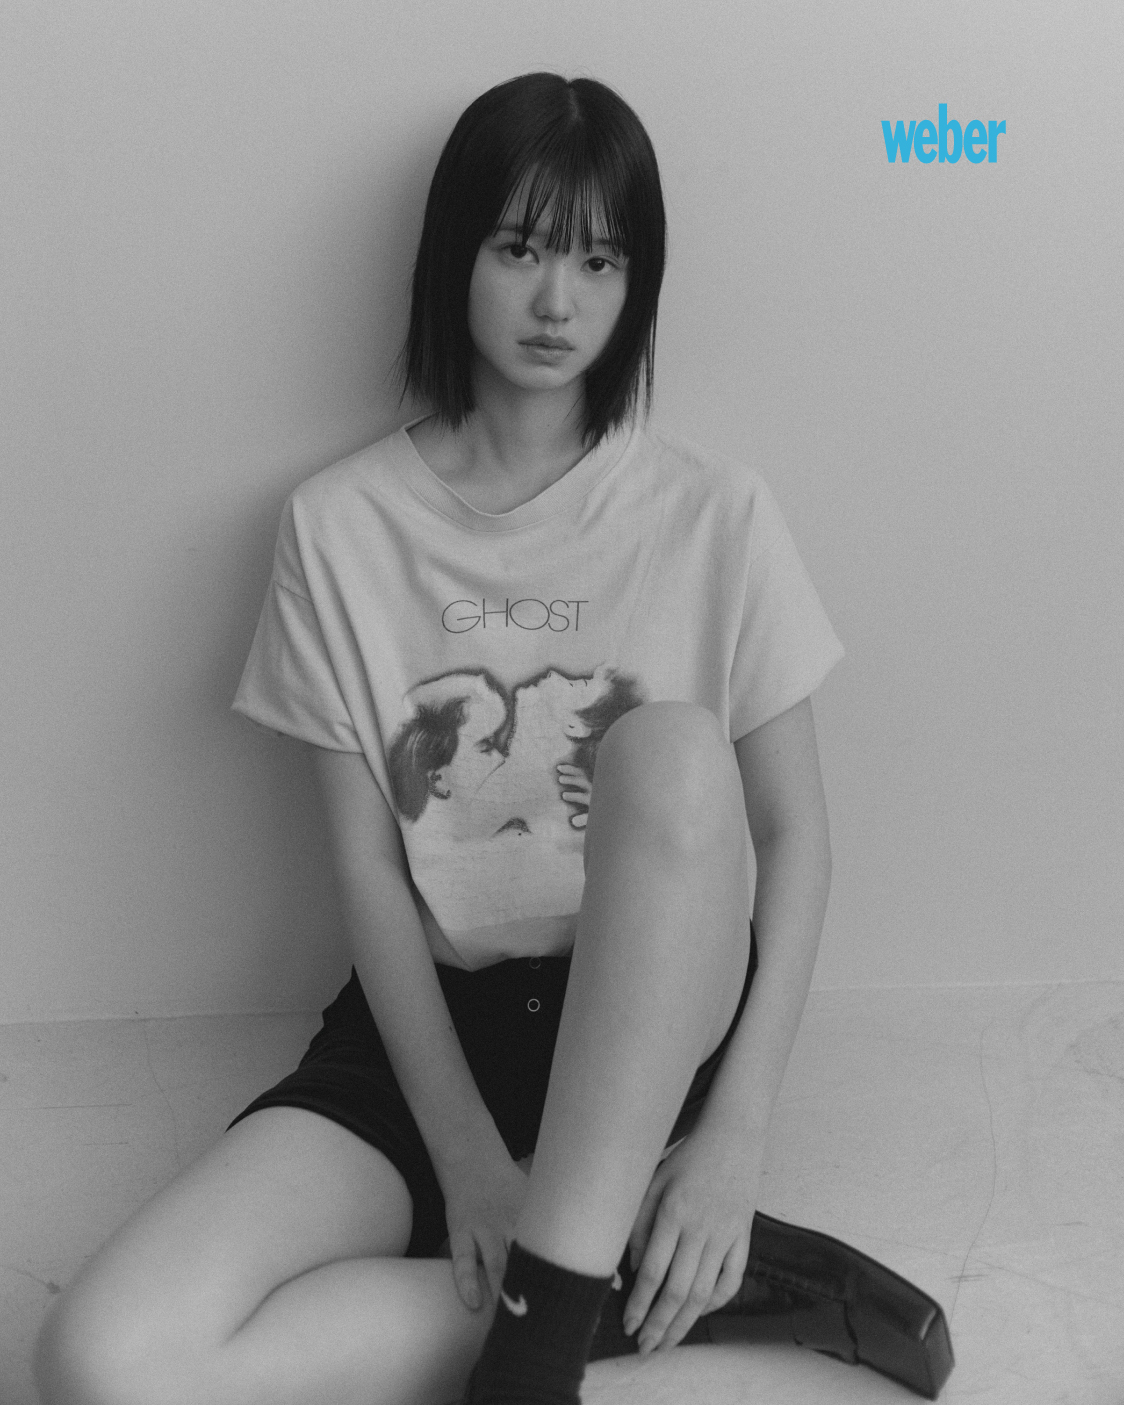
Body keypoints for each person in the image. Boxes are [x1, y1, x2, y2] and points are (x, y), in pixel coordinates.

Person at [34, 72, 952, 1404]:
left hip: (648, 1012)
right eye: (519, 249)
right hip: (431, 1028)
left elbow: (793, 838)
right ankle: (620, 1296)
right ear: (454, 254)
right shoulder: (338, 528)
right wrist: (464, 1151)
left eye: (598, 260)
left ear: (636, 282)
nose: (556, 301)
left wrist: (735, 1132)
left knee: (669, 750)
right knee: (101, 1361)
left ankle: (531, 1361)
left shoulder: (715, 513)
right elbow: (369, 872)